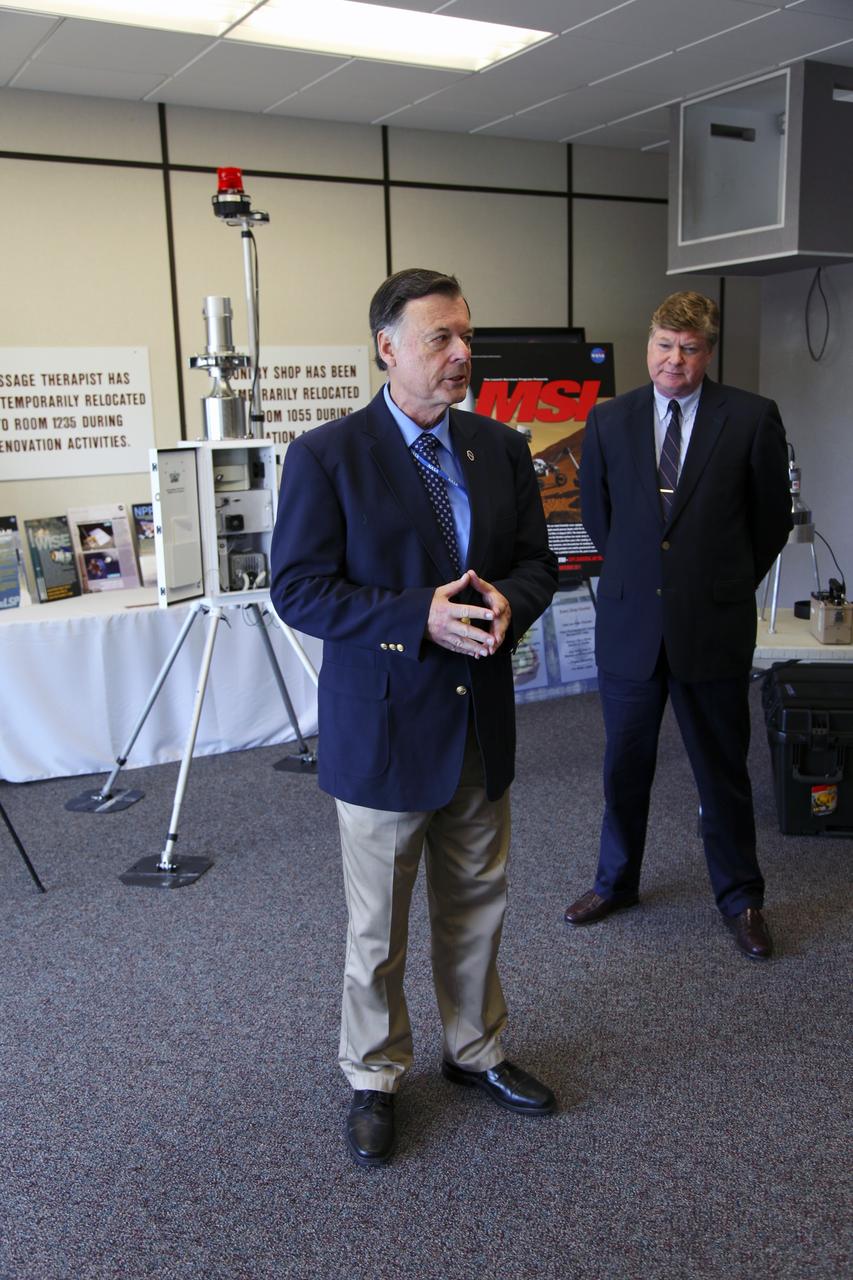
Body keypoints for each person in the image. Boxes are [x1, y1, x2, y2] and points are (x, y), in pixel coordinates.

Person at [270, 267, 559, 1167]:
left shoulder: (499, 448)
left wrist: (512, 604)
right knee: (377, 926)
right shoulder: (327, 454)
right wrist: (415, 616)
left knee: (476, 903)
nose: (461, 353)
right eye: (439, 338)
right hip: (385, 727)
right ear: (387, 349)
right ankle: (373, 1074)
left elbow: (535, 564)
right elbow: (299, 588)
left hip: (479, 721)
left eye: (465, 334)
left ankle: (475, 1052)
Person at [564, 291, 792, 959]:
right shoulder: (609, 420)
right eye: (664, 344)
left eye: (688, 349)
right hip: (632, 625)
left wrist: (720, 580)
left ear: (707, 352)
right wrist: (639, 575)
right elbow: (598, 515)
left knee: (721, 770)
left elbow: (770, 519)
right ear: (648, 344)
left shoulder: (750, 418)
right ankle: (616, 881)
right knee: (622, 767)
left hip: (712, 626)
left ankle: (741, 897)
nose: (674, 359)